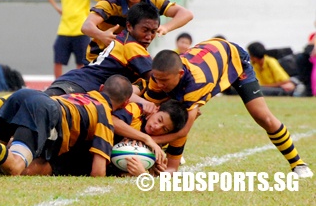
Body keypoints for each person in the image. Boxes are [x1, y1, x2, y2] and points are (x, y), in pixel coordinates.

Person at [133, 38, 313, 178]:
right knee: (157, 112)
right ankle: (163, 152)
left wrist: (156, 148)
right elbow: (147, 112)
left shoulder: (196, 83)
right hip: (210, 56)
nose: (159, 84)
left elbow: (183, 130)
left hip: (234, 60)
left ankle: (298, 164)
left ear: (179, 74)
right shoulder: (160, 77)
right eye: (157, 79)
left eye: (164, 81)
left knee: (262, 116)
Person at [0, 74, 133, 177]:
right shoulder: (105, 117)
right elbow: (98, 171)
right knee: (15, 166)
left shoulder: (83, 95)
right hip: (45, 109)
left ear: (102, 88)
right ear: (125, 104)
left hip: (24, 95)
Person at [81, 0, 193, 63]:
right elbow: (86, 26)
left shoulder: (153, 1)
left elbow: (186, 14)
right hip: (101, 58)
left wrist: (166, 27)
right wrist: (102, 35)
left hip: (131, 58)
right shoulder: (110, 2)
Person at [44, 2, 159, 96]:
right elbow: (158, 78)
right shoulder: (132, 46)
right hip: (79, 86)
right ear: (129, 26)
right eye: (145, 30)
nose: (149, 37)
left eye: (153, 31)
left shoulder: (123, 38)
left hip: (73, 80)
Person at [44, 0, 106, 78]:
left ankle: (78, 82)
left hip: (81, 29)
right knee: (58, 59)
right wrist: (57, 8)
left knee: (81, 61)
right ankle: (57, 83)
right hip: (65, 29)